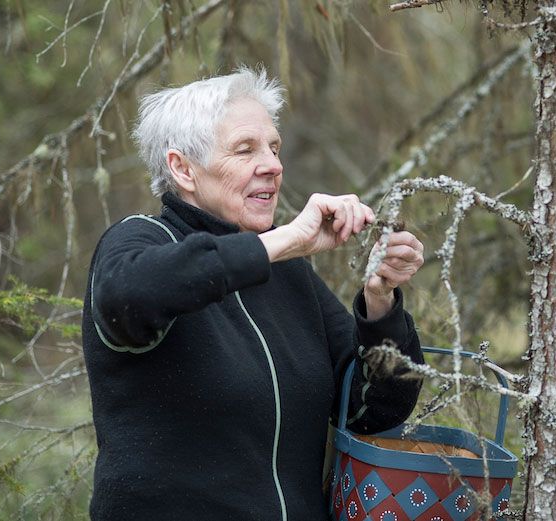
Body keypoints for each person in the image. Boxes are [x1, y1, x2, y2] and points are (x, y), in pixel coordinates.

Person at [81, 67, 425, 520]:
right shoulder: (138, 241)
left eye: (274, 147)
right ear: (182, 168)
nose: (273, 164)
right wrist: (283, 242)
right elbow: (130, 295)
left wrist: (380, 301)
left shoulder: (289, 274)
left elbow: (372, 411)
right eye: (246, 149)